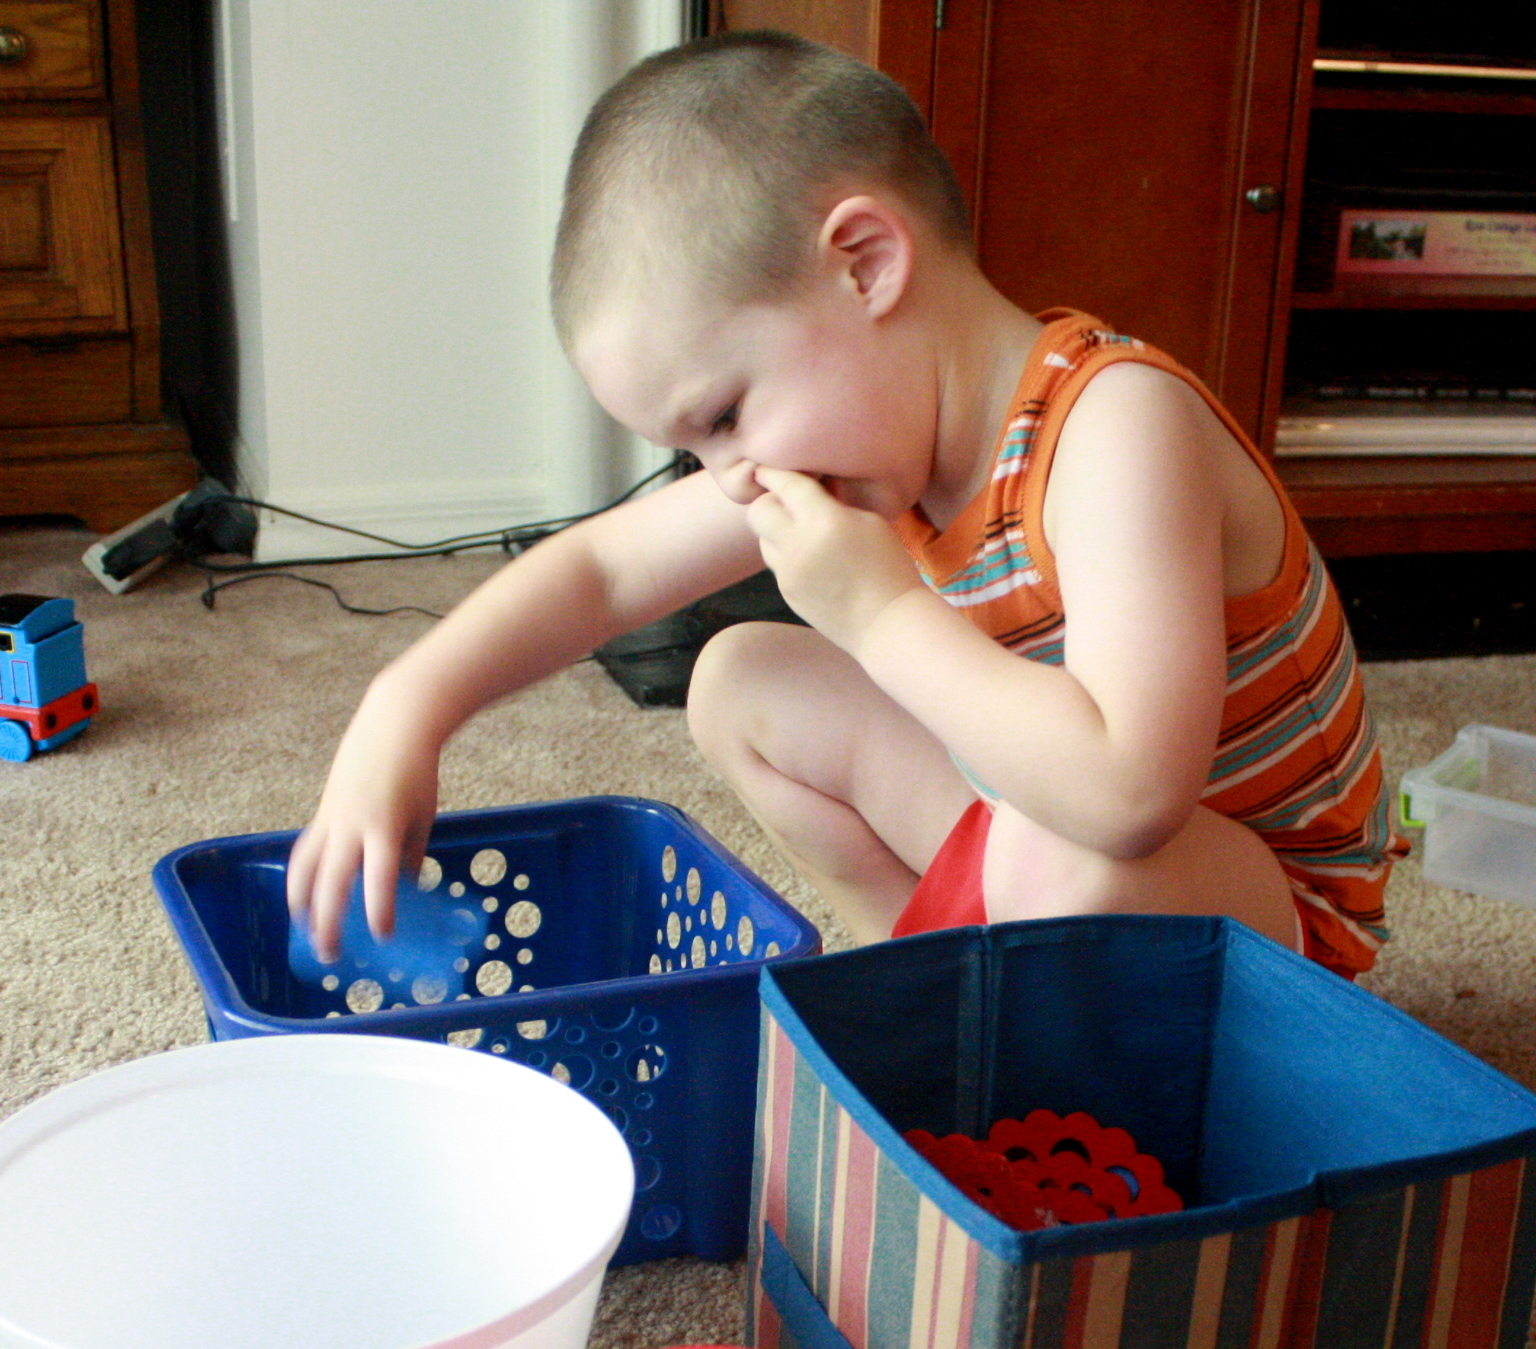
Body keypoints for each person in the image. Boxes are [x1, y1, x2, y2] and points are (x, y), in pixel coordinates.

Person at [289, 30, 1399, 974]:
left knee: (1053, 854)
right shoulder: (853, 440)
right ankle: (918, 975)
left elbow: (1123, 797)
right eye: (689, 446)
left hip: (1269, 925)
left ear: (864, 263)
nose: (729, 476)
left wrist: (876, 615)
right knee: (739, 680)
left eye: (722, 415)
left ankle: (987, 1004)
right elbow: (602, 572)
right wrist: (410, 702)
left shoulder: (1115, 429)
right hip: (1044, 843)